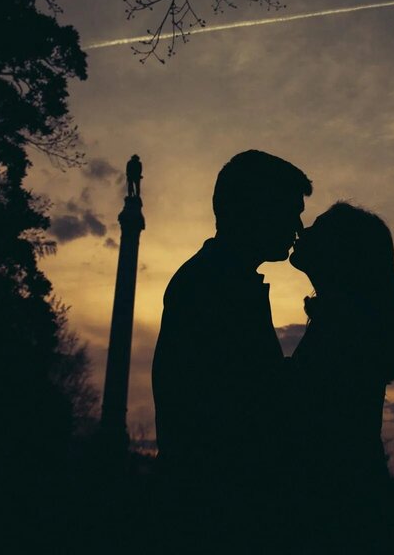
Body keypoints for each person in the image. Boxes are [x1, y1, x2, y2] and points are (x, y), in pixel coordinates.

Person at [151, 149, 312, 544]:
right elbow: (237, 410)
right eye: (290, 210)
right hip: (220, 515)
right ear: (255, 208)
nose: (298, 226)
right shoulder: (213, 287)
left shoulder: (218, 280)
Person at [287, 201, 394, 549]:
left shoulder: (344, 331)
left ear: (341, 253)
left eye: (317, 227)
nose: (302, 230)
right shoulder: (346, 324)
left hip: (338, 518)